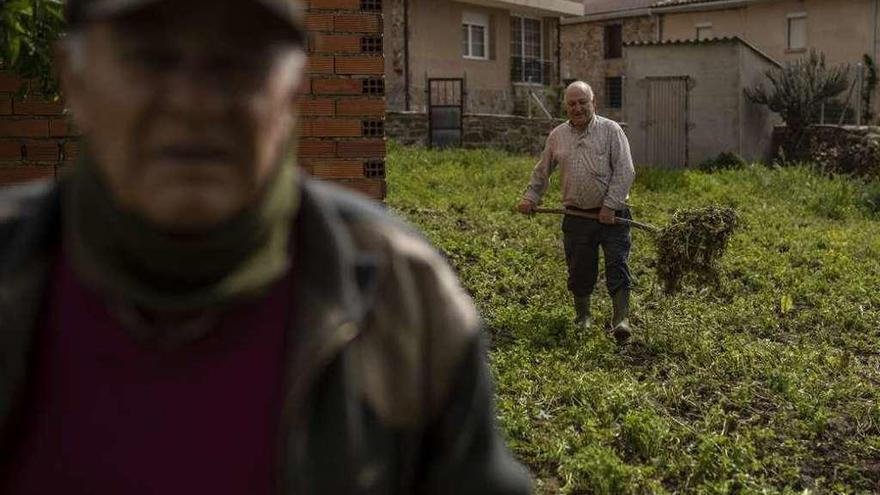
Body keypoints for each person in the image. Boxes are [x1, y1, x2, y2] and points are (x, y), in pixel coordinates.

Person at [0, 1, 532, 493]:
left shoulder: (401, 296)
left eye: (239, 61)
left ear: (295, 88)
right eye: (150, 57)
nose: (195, 103)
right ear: (75, 78)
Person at [517, 81, 636, 343]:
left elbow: (625, 170)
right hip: (577, 216)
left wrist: (610, 205)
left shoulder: (611, 131)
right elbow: (542, 171)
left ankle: (621, 320)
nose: (577, 108)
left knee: (618, 264)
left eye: (583, 102)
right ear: (566, 106)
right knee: (579, 268)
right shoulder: (557, 135)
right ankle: (583, 317)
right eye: (572, 103)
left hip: (613, 216)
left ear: (593, 102)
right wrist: (531, 197)